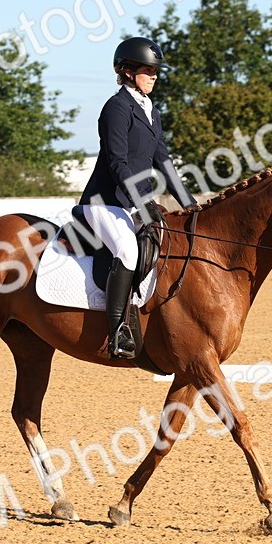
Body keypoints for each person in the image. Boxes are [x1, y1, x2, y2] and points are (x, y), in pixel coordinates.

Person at [78, 36, 197, 360]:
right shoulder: (116, 108)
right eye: (148, 70)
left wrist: (191, 206)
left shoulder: (151, 111)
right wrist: (140, 200)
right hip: (106, 202)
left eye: (155, 71)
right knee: (128, 251)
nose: (154, 76)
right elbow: (117, 162)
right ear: (127, 71)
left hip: (133, 203)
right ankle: (118, 331)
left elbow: (164, 163)